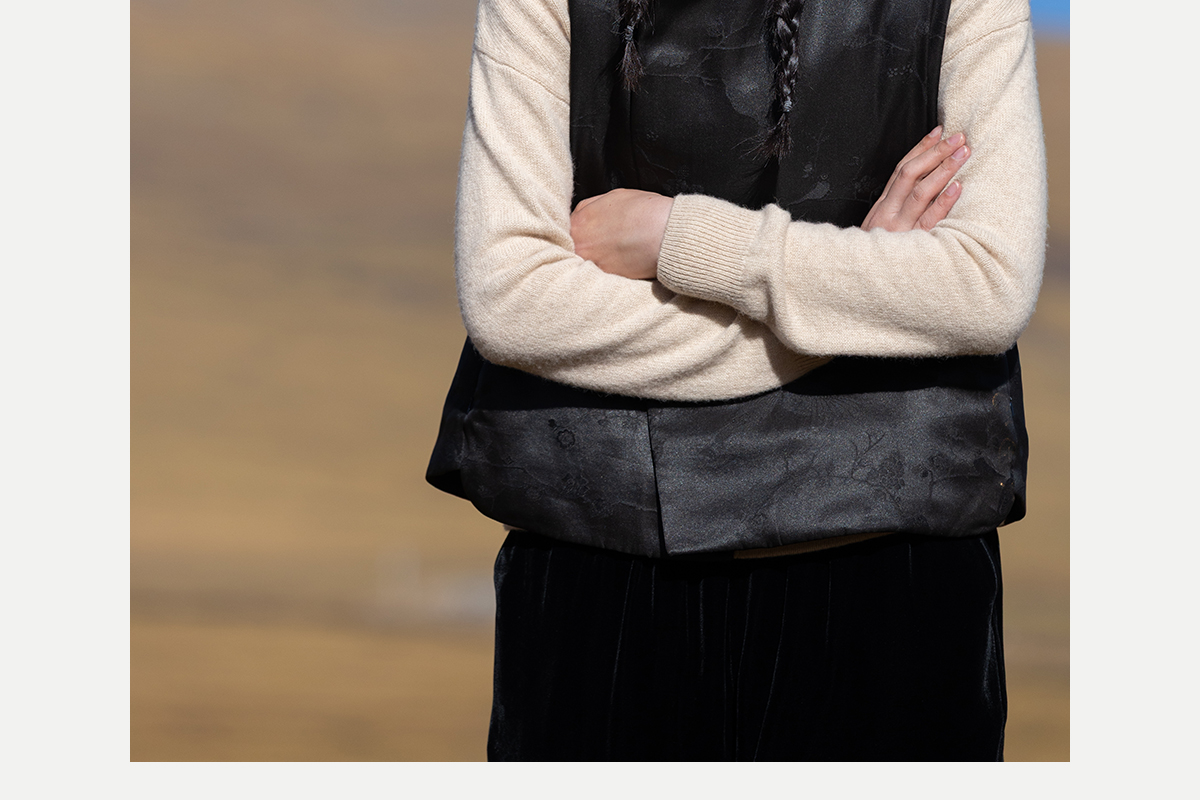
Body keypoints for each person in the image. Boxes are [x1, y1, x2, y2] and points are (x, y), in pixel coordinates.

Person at [428, 0, 1045, 760]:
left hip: (890, 571)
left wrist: (677, 237)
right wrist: (852, 292)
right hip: (607, 563)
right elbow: (513, 301)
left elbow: (986, 286)